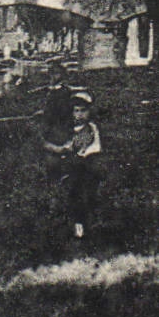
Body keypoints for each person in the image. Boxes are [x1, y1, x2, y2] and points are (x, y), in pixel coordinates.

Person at [43, 90, 102, 238]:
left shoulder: (90, 128)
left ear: (89, 111)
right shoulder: (70, 129)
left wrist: (62, 149)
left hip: (89, 161)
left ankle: (81, 223)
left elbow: (77, 147)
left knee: (79, 188)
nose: (80, 114)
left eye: (83, 110)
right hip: (74, 162)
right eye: (76, 111)